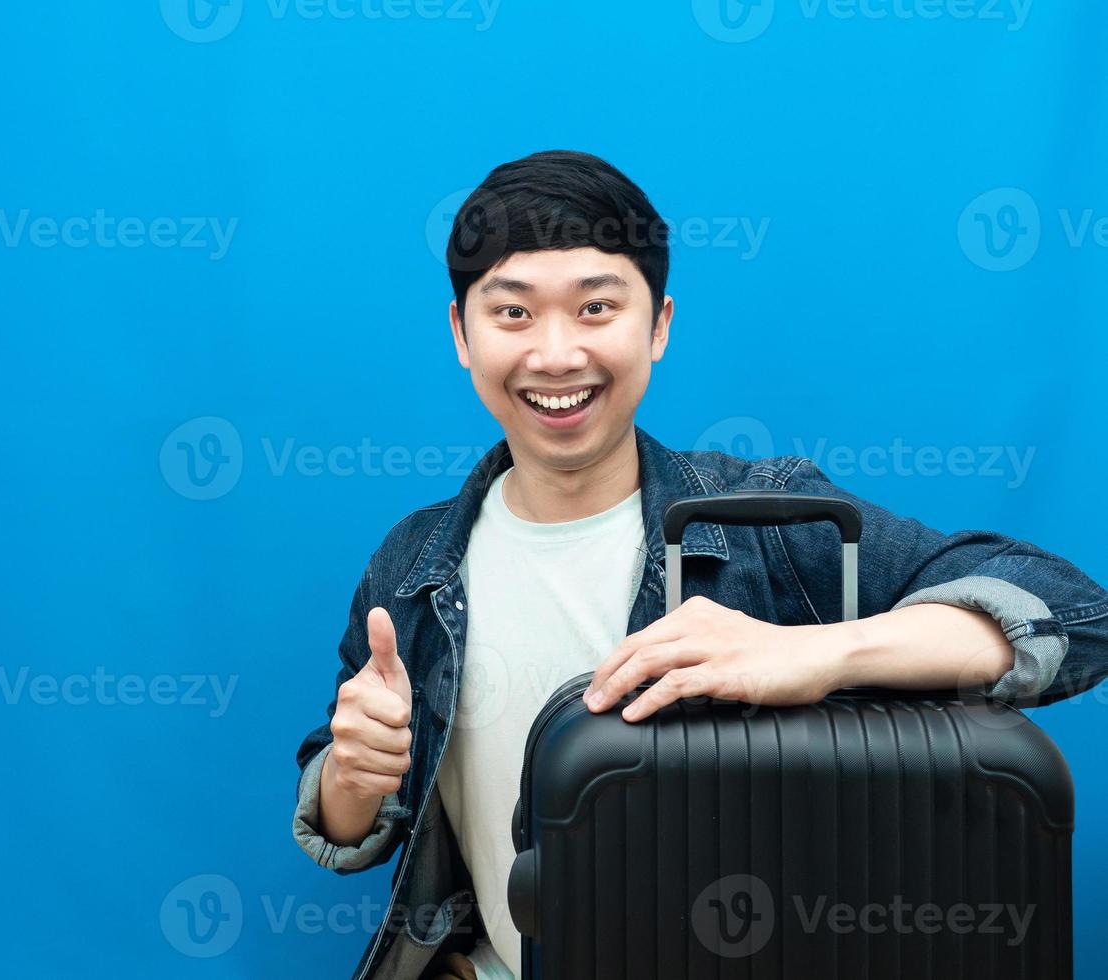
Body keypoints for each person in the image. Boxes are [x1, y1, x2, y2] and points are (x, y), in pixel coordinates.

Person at [291, 150, 1108, 980]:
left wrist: (821, 651)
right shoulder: (413, 563)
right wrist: (352, 776)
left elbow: (1075, 615)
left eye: (596, 307)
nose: (556, 354)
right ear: (462, 335)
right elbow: (350, 824)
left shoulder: (770, 525)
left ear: (658, 326)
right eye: (512, 315)